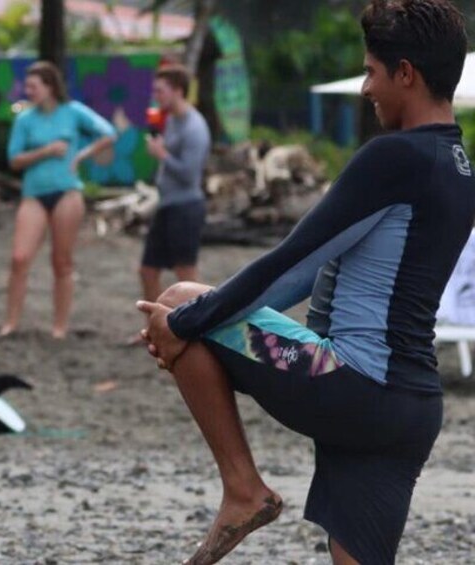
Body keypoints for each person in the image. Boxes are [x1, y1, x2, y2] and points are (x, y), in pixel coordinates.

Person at [137, 1, 473, 563]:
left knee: (179, 301)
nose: (367, 87)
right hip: (413, 407)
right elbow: (320, 270)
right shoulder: (459, 166)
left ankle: (243, 488)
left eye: (371, 71)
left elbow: (292, 265)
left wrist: (183, 326)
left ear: (406, 72)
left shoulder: (393, 156)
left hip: (355, 386)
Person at [1, 61, 116, 339]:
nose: (28, 91)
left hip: (67, 192)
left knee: (61, 261)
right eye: (26, 86)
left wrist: (81, 156)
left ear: (50, 87)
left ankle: (59, 326)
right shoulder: (24, 120)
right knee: (19, 258)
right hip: (34, 194)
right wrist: (46, 151)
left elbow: (108, 133)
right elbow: (14, 160)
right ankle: (11, 322)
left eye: (33, 86)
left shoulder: (73, 112)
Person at [142, 64, 211, 299]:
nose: (156, 96)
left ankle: (201, 330)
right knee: (148, 270)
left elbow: (190, 175)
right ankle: (153, 330)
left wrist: (162, 155)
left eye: (160, 91)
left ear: (178, 91)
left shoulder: (195, 127)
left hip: (186, 207)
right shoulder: (172, 120)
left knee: (186, 273)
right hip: (166, 205)